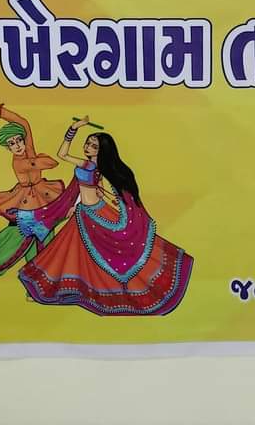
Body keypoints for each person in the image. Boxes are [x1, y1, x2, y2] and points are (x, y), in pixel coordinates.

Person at [18, 116, 193, 316]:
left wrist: (74, 128)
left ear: (101, 151)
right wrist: (76, 204)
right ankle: (75, 289)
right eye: (88, 143)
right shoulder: (97, 168)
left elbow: (62, 154)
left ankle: (84, 290)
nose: (88, 147)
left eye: (93, 146)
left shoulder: (89, 165)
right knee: (73, 252)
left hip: (93, 213)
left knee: (88, 253)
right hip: (85, 211)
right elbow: (94, 188)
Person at [0, 104, 64, 296]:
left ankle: (34, 291)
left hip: (43, 198)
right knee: (14, 242)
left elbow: (24, 124)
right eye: (12, 143)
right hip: (26, 204)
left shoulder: (28, 150)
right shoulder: (20, 162)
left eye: (19, 140)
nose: (17, 145)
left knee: (44, 246)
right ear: (8, 147)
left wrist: (2, 113)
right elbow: (50, 163)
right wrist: (41, 159)